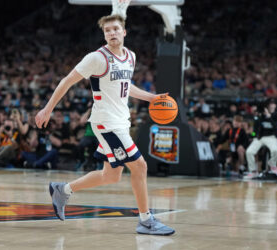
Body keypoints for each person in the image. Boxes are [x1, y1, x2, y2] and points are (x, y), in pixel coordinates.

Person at [35, 14, 175, 235]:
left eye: (115, 29)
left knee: (111, 175)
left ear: (124, 32)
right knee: (140, 166)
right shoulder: (96, 58)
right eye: (107, 30)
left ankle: (62, 190)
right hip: (106, 123)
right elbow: (66, 81)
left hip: (121, 122)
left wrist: (152, 98)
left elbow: (126, 86)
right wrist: (47, 109)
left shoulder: (130, 56)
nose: (112, 33)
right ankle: (146, 220)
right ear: (104, 34)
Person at [245, 106, 277, 179]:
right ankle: (253, 171)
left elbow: (276, 128)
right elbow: (255, 132)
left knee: (275, 150)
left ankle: (272, 164)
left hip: (271, 137)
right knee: (249, 152)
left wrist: (269, 117)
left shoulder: (275, 117)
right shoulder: (258, 119)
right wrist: (251, 135)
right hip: (260, 138)